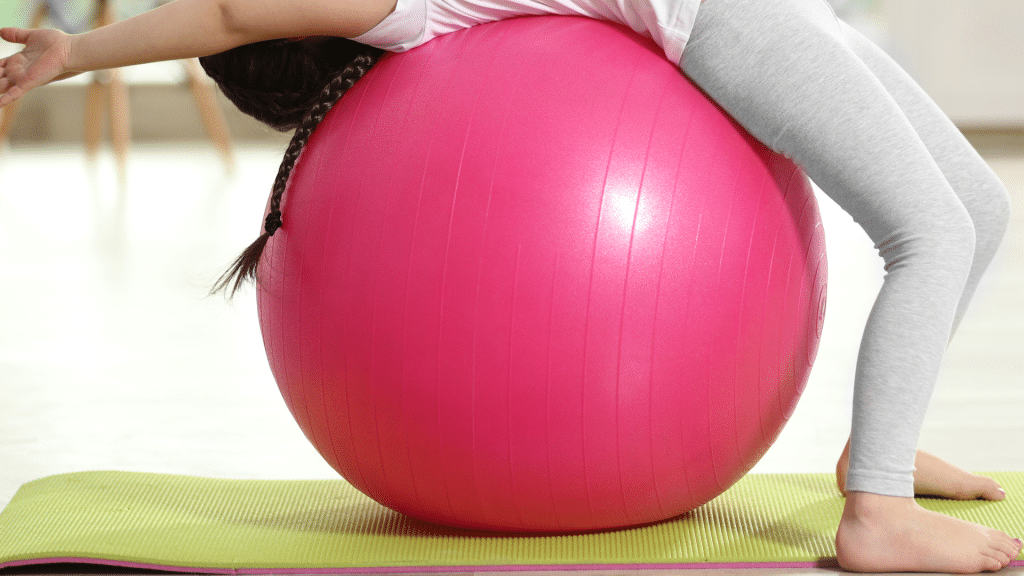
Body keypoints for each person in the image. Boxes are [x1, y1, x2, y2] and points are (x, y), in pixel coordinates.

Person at [1, 0, 1020, 571]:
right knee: (923, 231)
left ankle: (876, 443)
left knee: (977, 207)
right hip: (718, 17)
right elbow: (225, 12)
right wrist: (79, 51)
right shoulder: (387, 4)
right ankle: (875, 513)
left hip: (779, 6)